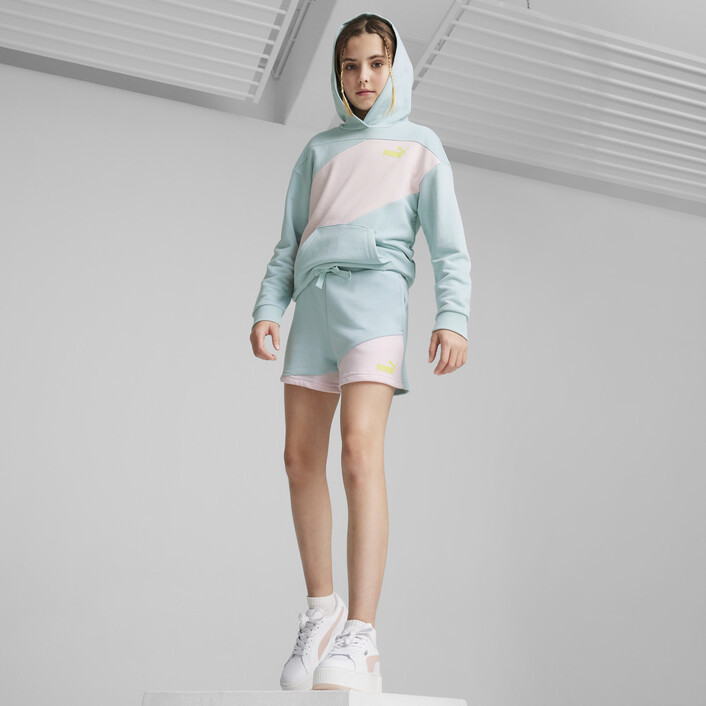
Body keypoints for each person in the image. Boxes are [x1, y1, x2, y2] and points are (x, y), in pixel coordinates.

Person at [249, 11, 471, 693]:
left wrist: (453, 317)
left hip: (375, 304)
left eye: (376, 63)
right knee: (298, 458)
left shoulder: (421, 146)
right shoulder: (317, 151)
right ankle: (322, 610)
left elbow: (450, 247)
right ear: (338, 75)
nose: (363, 76)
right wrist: (268, 308)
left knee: (357, 453)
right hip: (313, 309)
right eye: (351, 65)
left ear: (395, 67)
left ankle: (362, 635)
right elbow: (288, 243)